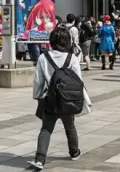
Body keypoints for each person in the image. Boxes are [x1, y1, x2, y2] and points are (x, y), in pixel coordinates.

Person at [29, 26, 91, 170]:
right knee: (70, 126)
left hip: (50, 99)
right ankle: (74, 152)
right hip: (68, 99)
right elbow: (78, 80)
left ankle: (40, 160)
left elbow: (38, 80)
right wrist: (85, 99)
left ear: (52, 41)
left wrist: (38, 96)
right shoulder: (73, 58)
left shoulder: (44, 57)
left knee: (46, 129)